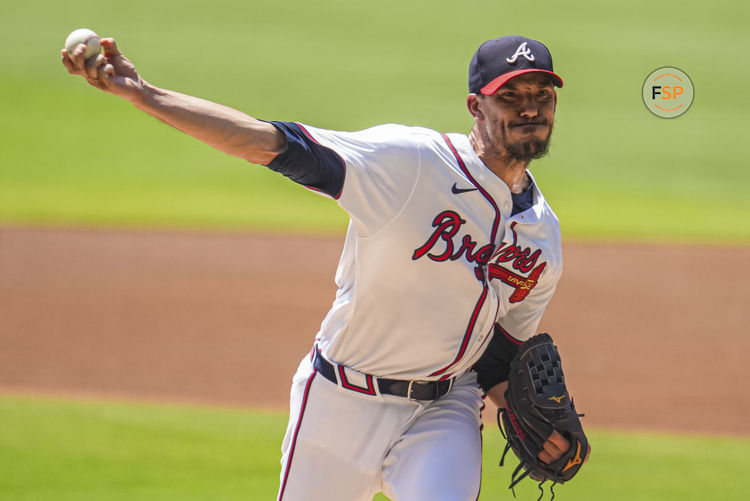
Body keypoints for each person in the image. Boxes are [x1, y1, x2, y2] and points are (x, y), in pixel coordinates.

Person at [63, 34, 587, 500]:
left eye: (542, 95)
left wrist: (529, 416)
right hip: (341, 400)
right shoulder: (411, 163)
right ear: (476, 105)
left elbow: (498, 353)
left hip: (444, 410)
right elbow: (274, 144)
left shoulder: (544, 236)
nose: (529, 108)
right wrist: (146, 94)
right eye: (511, 96)